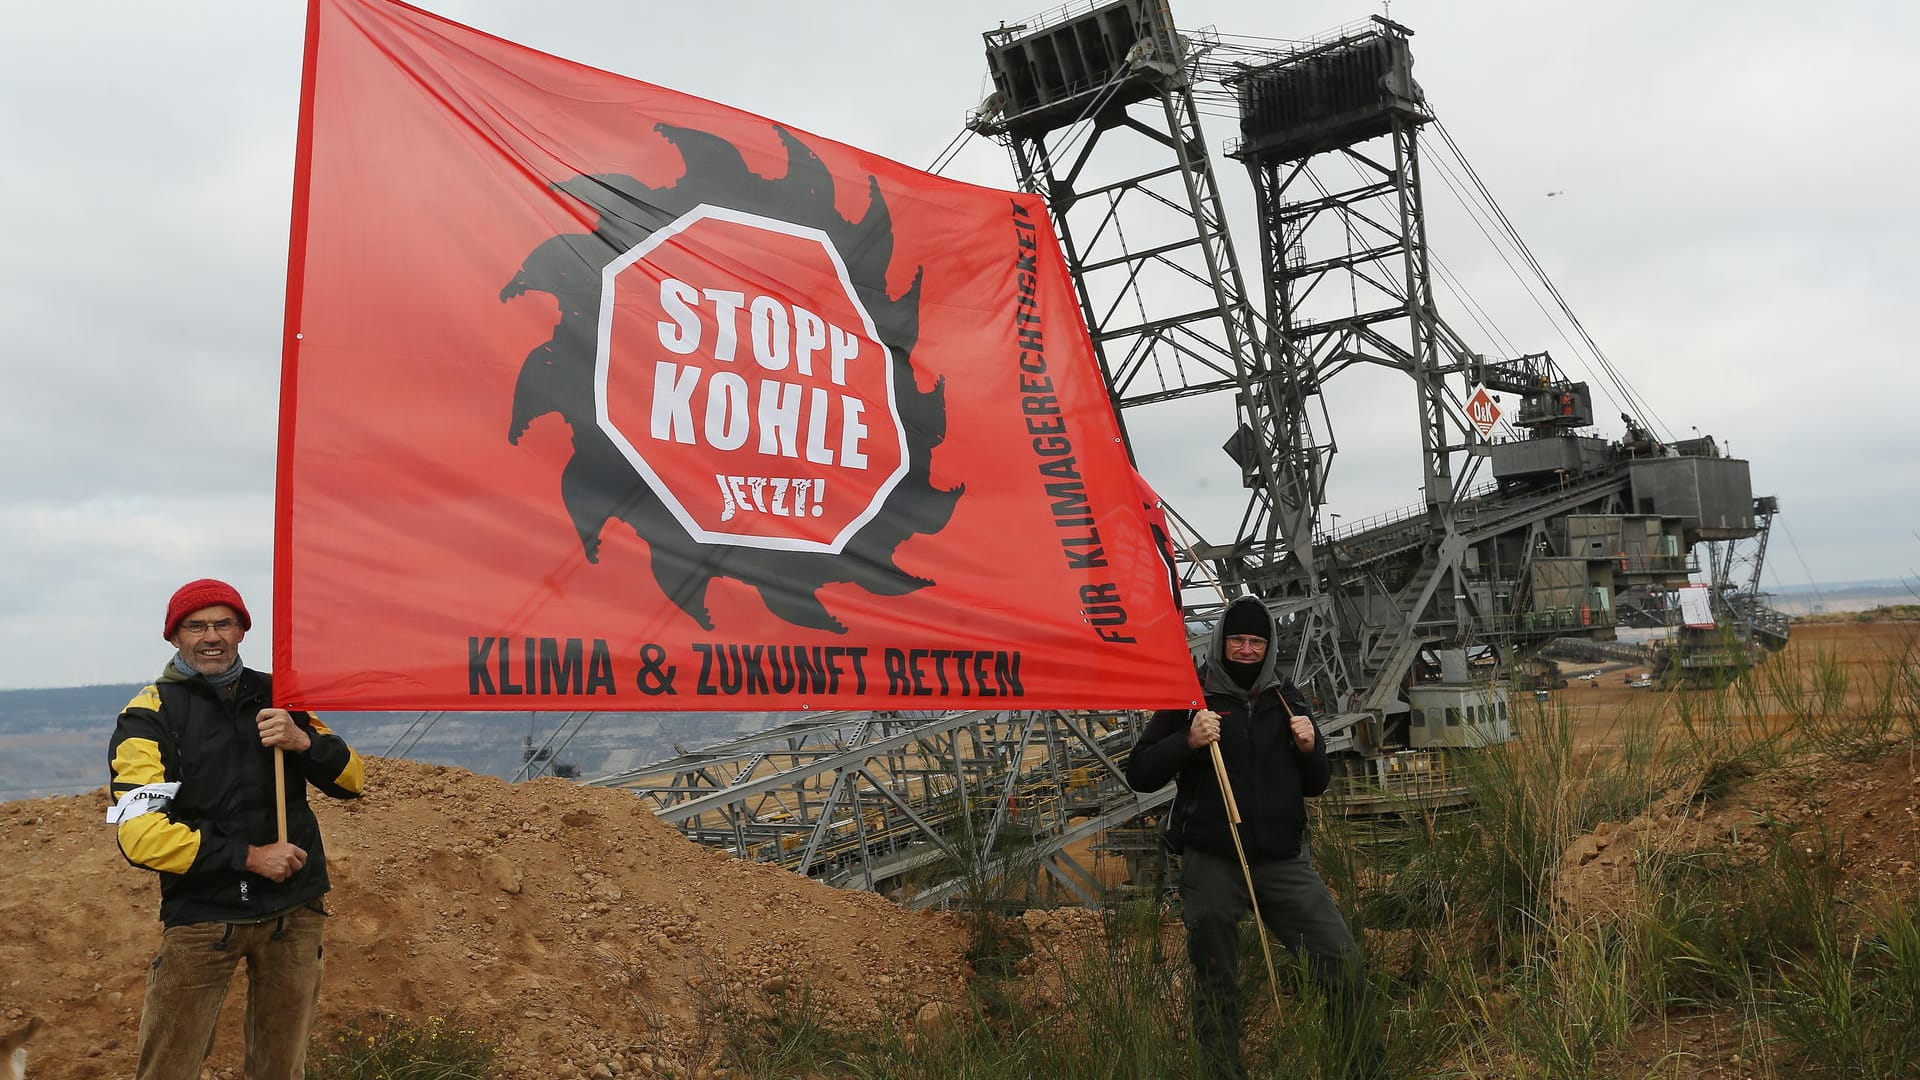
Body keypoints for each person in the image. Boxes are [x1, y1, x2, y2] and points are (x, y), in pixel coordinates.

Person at [107, 579, 366, 1080]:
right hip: (203, 917)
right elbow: (139, 836)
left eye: (223, 623)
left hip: (295, 911)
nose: (211, 636)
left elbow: (353, 780)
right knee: (169, 1069)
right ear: (174, 636)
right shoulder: (148, 715)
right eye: (195, 625)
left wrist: (303, 741)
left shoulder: (281, 697)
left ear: (242, 630)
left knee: (280, 1069)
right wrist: (247, 855)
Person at [1126, 594, 1380, 1079]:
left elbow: (1317, 784)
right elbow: (1139, 772)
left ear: (1269, 646)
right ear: (1222, 641)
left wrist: (1310, 748)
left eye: (1256, 641)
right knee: (1216, 980)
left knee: (1340, 961)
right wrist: (1189, 741)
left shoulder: (1288, 698)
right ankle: (1223, 1072)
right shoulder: (1191, 698)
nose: (1246, 649)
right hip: (1215, 861)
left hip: (1282, 862)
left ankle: (1359, 1067)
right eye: (1238, 639)